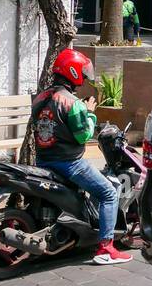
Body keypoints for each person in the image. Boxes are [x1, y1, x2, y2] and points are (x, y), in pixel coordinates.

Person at [30, 49, 131, 266]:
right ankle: (106, 248)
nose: (84, 79)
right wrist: (90, 112)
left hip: (43, 160)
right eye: (83, 75)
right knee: (108, 193)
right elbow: (83, 135)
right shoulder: (72, 103)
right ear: (73, 73)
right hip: (69, 163)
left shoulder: (40, 97)